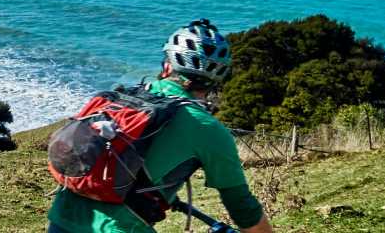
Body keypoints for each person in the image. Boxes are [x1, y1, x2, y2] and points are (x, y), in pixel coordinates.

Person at [47, 20, 276, 233]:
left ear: (167, 66)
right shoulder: (207, 128)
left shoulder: (121, 97)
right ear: (215, 80)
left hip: (62, 217)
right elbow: (243, 207)